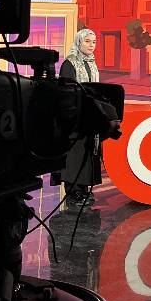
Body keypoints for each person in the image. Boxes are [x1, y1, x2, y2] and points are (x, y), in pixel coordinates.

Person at [59, 29, 100, 205]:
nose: (91, 45)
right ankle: (73, 190)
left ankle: (83, 188)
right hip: (74, 116)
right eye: (87, 41)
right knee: (74, 153)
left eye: (94, 42)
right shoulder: (70, 63)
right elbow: (66, 91)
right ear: (79, 42)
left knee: (87, 150)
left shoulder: (92, 63)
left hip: (89, 116)